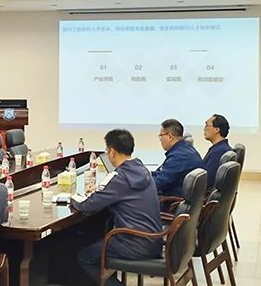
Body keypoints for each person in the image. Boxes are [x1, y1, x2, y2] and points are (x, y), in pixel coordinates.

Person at [72, 129, 163, 286]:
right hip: (153, 240)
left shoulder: (119, 177)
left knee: (85, 257)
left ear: (112, 151)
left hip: (133, 244)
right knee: (97, 240)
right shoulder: (142, 169)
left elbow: (87, 205)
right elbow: (119, 192)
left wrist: (72, 196)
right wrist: (101, 191)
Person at [152, 119, 205, 198]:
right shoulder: (184, 150)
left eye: (161, 136)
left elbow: (159, 183)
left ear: (169, 136)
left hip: (172, 201)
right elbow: (163, 173)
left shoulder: (179, 157)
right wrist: (146, 175)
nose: (160, 139)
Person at [203, 114, 233, 188]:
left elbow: (207, 179)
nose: (204, 129)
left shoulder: (219, 151)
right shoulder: (221, 148)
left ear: (216, 129)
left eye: (207, 126)